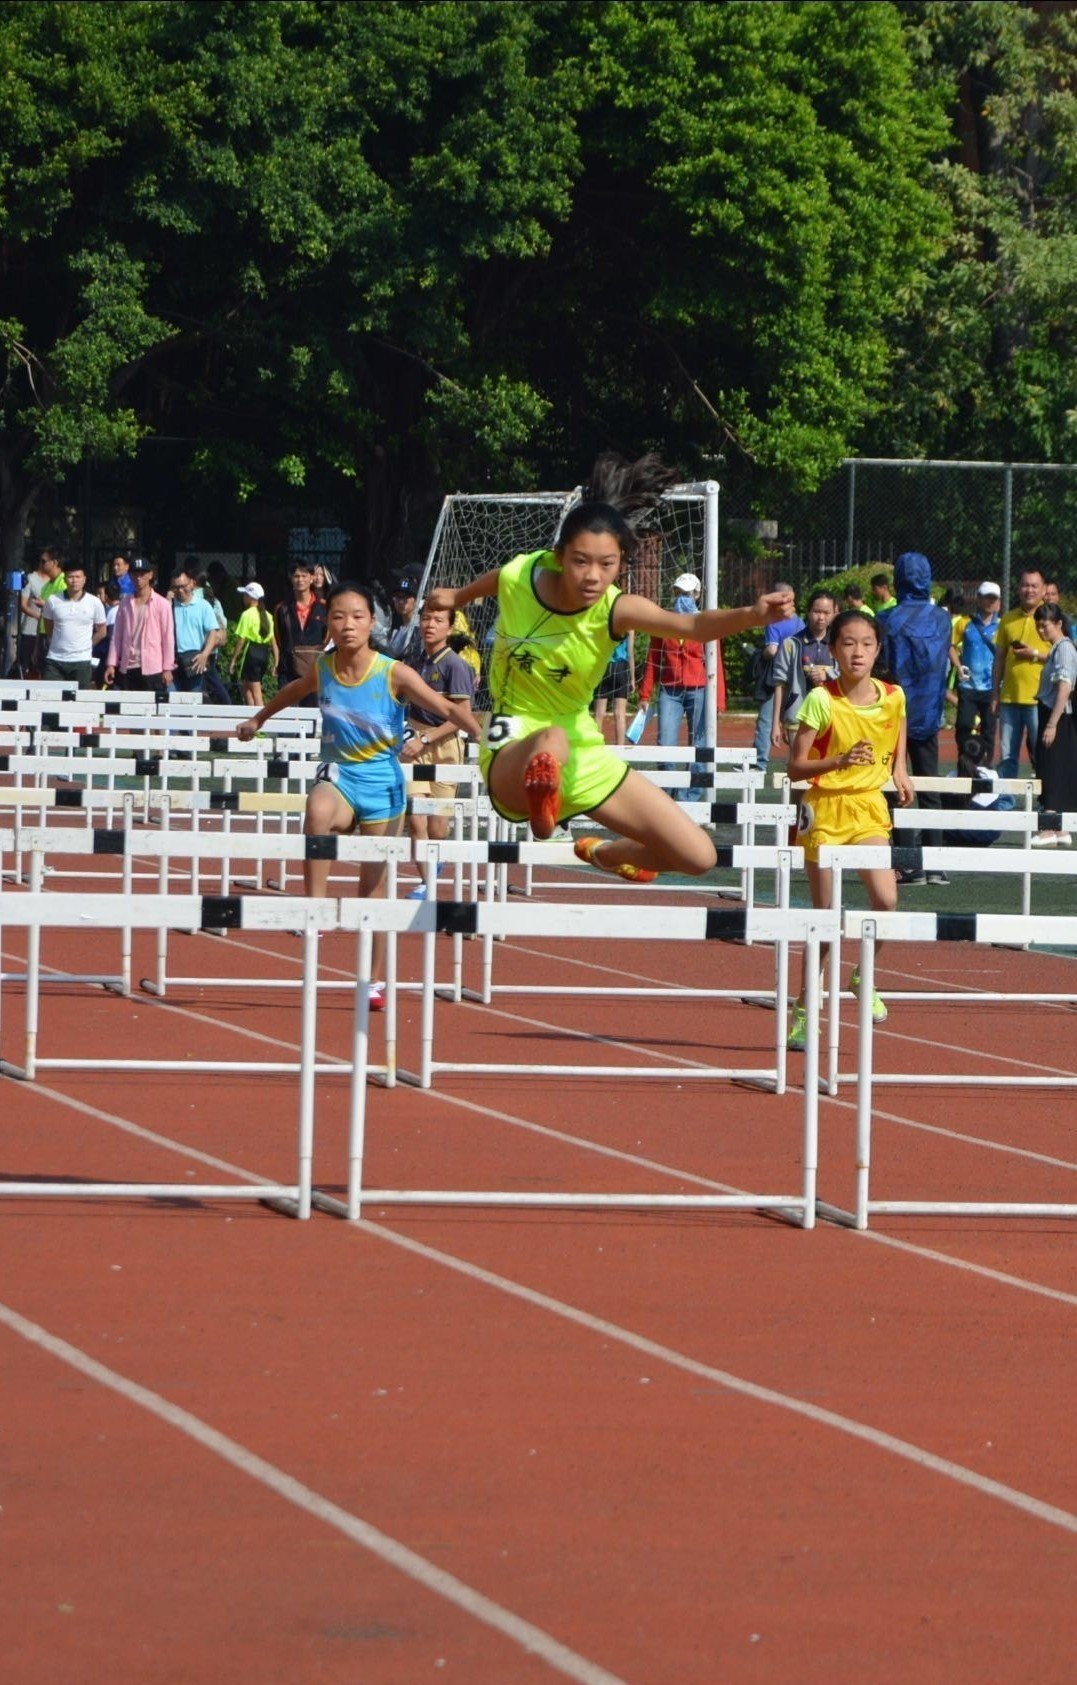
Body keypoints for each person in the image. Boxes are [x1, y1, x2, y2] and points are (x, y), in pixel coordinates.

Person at [424, 452, 795, 882]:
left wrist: (752, 613)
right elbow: (493, 581)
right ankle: (542, 800)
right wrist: (456, 597)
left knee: (698, 855)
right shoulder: (521, 575)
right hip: (513, 737)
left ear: (622, 563)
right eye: (581, 561)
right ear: (559, 555)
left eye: (607, 564)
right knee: (550, 739)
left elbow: (690, 625)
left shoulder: (616, 609)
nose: (593, 577)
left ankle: (603, 852)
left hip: (581, 746)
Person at [237, 582, 481, 1008]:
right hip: (341, 777)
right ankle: (314, 909)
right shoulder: (325, 668)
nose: (347, 625)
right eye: (338, 616)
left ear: (372, 623)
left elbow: (447, 709)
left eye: (357, 617)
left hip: (383, 788)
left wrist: (489, 737)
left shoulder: (394, 671)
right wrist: (257, 719)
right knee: (317, 807)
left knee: (374, 893)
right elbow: (293, 691)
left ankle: (373, 981)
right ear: (328, 623)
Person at [784, 609, 914, 1050]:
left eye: (866, 644)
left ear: (878, 649)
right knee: (825, 922)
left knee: (886, 898)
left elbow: (897, 727)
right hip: (825, 809)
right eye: (848, 643)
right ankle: (805, 1010)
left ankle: (864, 975)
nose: (857, 652)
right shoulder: (822, 700)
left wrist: (900, 769)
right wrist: (839, 761)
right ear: (833, 649)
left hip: (869, 808)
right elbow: (794, 768)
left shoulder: (893, 695)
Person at [876, 551, 953, 885]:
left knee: (895, 786)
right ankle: (936, 863)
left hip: (894, 713)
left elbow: (881, 667)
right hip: (929, 711)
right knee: (930, 785)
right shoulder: (941, 620)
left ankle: (908, 863)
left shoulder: (887, 620)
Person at [400, 599, 477, 896]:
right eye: (426, 619)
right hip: (413, 745)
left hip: (445, 745)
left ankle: (435, 860)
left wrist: (427, 739)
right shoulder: (413, 662)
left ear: (449, 626)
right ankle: (426, 884)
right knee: (415, 817)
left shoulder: (456, 666)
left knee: (437, 828)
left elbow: (462, 717)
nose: (430, 625)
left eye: (438, 620)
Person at [991, 566, 1049, 804]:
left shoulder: (1051, 619)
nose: (1029, 590)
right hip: (1010, 699)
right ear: (1018, 588)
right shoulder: (1008, 618)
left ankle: (1048, 801)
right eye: (1025, 585)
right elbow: (999, 659)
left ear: (1044, 590)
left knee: (1043, 755)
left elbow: (1062, 654)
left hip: (1040, 700)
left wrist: (1033, 654)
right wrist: (995, 693)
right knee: (1006, 756)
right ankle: (1006, 801)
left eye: (1035, 585)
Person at [1029, 602, 1076, 847]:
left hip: (1057, 715)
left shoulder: (1064, 649)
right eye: (1038, 626)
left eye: (1044, 625)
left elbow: (1065, 686)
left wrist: (1052, 724)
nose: (1040, 631)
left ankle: (1049, 828)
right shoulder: (1058, 648)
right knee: (1057, 769)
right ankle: (1061, 829)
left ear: (1058, 624)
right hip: (1054, 714)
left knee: (1051, 770)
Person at [770, 590, 839, 752]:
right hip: (797, 718)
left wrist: (828, 674)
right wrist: (776, 724)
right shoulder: (791, 644)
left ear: (835, 614)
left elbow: (848, 673)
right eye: (816, 612)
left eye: (826, 613)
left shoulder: (840, 644)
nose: (821, 617)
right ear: (808, 612)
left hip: (833, 717)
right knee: (799, 768)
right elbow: (780, 684)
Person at [749, 580, 804, 774]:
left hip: (776, 677)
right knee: (795, 722)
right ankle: (796, 762)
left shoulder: (774, 622)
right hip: (797, 679)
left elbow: (772, 650)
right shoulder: (800, 622)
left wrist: (760, 654)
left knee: (766, 721)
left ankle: (760, 763)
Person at [104, 558, 175, 691]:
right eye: (135, 574)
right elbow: (116, 636)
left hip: (153, 667)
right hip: (128, 666)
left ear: (150, 575)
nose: (138, 578)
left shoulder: (162, 604)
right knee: (128, 709)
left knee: (152, 710)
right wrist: (111, 664)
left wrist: (167, 668)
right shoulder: (124, 603)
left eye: (142, 574)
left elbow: (168, 638)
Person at [40, 562, 107, 688]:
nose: (74, 580)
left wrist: (86, 645)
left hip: (81, 661)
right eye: (71, 577)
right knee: (51, 699)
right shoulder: (53, 600)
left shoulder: (94, 602)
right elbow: (49, 628)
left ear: (84, 579)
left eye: (78, 577)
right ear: (65, 579)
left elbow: (102, 631)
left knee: (78, 702)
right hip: (55, 660)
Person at [952, 582, 1000, 756]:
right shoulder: (964, 623)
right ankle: (963, 761)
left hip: (991, 688)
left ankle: (986, 764)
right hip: (969, 686)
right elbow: (950, 644)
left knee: (989, 730)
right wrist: (958, 666)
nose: (990, 602)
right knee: (964, 725)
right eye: (986, 597)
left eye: (993, 598)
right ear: (978, 599)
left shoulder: (1002, 626)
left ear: (998, 602)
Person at [941, 734, 1000, 849]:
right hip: (985, 835)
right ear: (985, 755)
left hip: (954, 834)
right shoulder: (993, 775)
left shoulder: (951, 776)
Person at [274, 559, 329, 682]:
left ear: (311, 578)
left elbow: (327, 637)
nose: (300, 580)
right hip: (287, 670)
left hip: (315, 670)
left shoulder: (324, 608)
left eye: (304, 576)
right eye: (296, 576)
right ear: (291, 579)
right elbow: (279, 639)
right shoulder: (282, 609)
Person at [170, 566, 223, 692]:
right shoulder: (168, 606)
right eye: (176, 587)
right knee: (171, 702)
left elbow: (213, 632)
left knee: (194, 702)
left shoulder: (203, 606)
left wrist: (205, 654)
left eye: (183, 586)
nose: (180, 590)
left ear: (192, 583)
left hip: (194, 660)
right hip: (173, 661)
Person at [229, 582, 278, 707]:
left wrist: (233, 660)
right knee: (247, 687)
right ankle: (250, 716)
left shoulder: (247, 614)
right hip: (264, 653)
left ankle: (260, 722)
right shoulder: (268, 616)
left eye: (245, 595)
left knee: (256, 691)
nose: (243, 598)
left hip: (251, 653)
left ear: (251, 597)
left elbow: (241, 640)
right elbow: (273, 641)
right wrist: (276, 661)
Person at [18, 547, 65, 675]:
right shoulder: (47, 586)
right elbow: (43, 615)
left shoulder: (63, 583)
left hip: (57, 636)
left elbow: (65, 609)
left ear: (54, 562)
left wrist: (45, 604)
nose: (41, 564)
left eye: (44, 561)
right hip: (44, 636)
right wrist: (37, 646)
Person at [191, 567, 233, 705]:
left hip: (199, 648)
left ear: (192, 581)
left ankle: (228, 708)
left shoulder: (193, 598)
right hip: (212, 648)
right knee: (208, 681)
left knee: (210, 682)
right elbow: (223, 623)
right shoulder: (214, 600)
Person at [593, 629, 635, 745]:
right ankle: (621, 751)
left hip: (604, 667)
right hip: (621, 668)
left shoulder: (606, 624)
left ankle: (596, 748)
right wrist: (632, 678)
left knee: (599, 714)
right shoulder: (630, 628)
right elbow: (630, 654)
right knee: (620, 714)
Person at [388, 574, 421, 657]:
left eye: (406, 597)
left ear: (416, 600)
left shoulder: (419, 627)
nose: (401, 602)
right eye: (398, 597)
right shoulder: (398, 630)